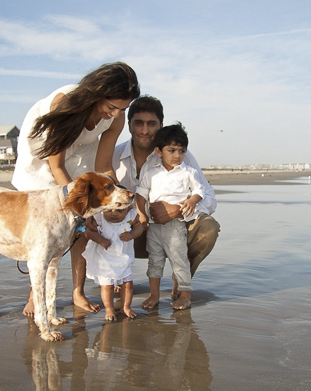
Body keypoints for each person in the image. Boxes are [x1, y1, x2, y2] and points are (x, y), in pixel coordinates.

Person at [12, 62, 140, 315]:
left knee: (79, 229)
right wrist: (79, 208)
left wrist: (110, 198)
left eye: (122, 109)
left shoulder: (116, 116)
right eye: (111, 106)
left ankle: (77, 292)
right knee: (45, 228)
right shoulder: (66, 103)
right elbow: (56, 166)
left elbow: (104, 167)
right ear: (96, 93)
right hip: (47, 153)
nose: (116, 114)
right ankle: (33, 296)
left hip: (82, 153)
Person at [112, 95, 219, 303]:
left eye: (151, 124)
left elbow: (209, 197)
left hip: (174, 231)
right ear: (129, 126)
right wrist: (140, 216)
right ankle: (115, 277)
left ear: (161, 125)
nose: (145, 130)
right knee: (91, 223)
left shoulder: (180, 156)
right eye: (139, 123)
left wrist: (177, 210)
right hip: (131, 233)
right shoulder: (114, 156)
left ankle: (182, 278)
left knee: (209, 228)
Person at [135, 123, 206, 310]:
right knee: (155, 261)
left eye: (182, 151)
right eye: (171, 150)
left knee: (179, 260)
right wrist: (142, 215)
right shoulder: (151, 173)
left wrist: (192, 201)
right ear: (159, 151)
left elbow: (200, 190)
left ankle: (185, 295)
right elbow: (141, 194)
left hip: (176, 225)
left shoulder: (188, 172)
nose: (177, 155)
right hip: (154, 227)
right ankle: (154, 295)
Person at [82, 206, 144, 321]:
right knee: (107, 286)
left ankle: (125, 307)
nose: (114, 214)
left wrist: (132, 235)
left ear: (128, 209)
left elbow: (139, 227)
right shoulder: (100, 218)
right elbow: (89, 232)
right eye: (109, 210)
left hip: (123, 258)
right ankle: (109, 308)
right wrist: (100, 240)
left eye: (120, 211)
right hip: (105, 260)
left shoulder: (131, 216)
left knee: (128, 284)